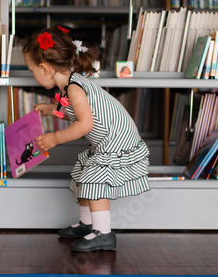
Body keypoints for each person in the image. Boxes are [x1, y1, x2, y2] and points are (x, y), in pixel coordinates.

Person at [22, 26, 151, 252]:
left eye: (31, 69)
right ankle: (87, 224)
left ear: (44, 69)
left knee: (94, 179)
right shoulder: (71, 84)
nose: (32, 74)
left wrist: (55, 138)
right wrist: (52, 109)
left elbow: (85, 124)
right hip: (107, 140)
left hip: (117, 140)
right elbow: (75, 111)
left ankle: (104, 234)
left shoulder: (74, 89)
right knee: (83, 174)